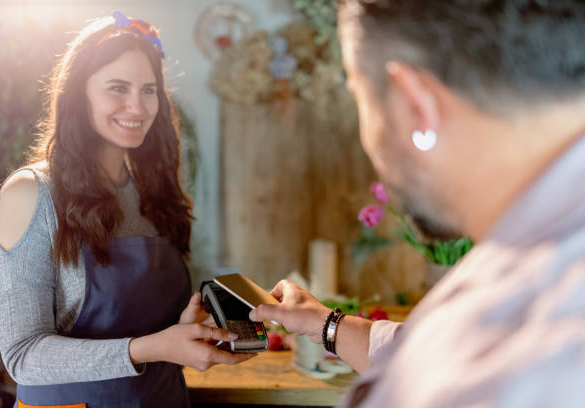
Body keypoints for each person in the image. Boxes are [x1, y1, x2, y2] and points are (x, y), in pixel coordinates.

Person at [249, 1, 585, 407]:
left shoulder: (513, 364)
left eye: (361, 100)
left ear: (416, 106)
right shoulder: (539, 244)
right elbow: (438, 341)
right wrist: (327, 325)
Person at [0, 11, 253, 408]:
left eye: (149, 90)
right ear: (79, 95)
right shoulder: (32, 194)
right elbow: (23, 357)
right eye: (117, 87)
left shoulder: (155, 193)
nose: (138, 106)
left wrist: (187, 333)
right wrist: (150, 347)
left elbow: (155, 330)